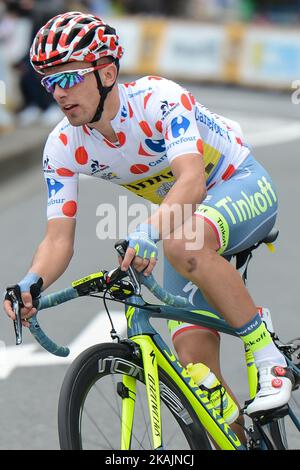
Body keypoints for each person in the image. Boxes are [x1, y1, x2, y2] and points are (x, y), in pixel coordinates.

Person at [3, 12, 295, 432]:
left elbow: (192, 180)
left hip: (241, 186)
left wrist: (147, 232)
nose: (58, 93)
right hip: (188, 223)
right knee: (199, 379)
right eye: (49, 82)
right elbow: (58, 239)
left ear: (106, 72)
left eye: (68, 78)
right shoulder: (64, 145)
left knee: (181, 244)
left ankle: (267, 357)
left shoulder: (157, 99)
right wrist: (32, 281)